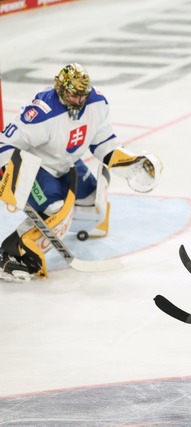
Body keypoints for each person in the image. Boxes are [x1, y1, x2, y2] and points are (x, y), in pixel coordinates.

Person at [0, 63, 162, 281]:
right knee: (57, 211)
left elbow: (104, 143)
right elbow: (5, 143)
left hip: (68, 164)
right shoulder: (41, 113)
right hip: (39, 167)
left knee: (94, 207)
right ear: (59, 88)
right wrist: (9, 173)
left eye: (82, 95)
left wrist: (132, 162)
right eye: (73, 95)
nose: (79, 100)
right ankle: (12, 253)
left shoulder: (97, 103)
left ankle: (60, 226)